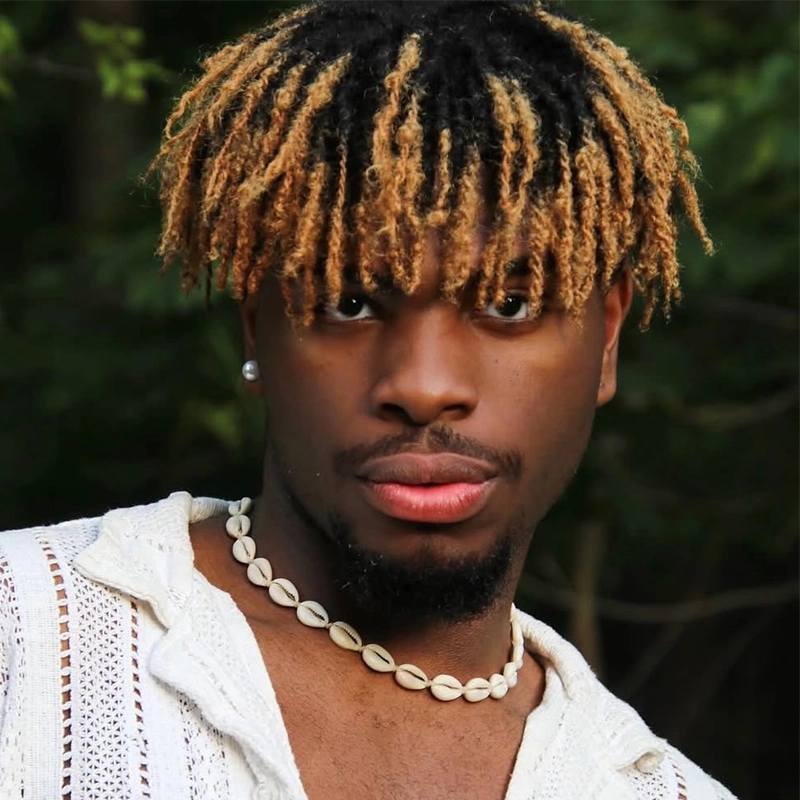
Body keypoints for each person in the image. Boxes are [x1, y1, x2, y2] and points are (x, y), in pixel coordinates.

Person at [0, 2, 736, 798]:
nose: (422, 387)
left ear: (609, 337)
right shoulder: (26, 634)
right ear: (258, 328)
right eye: (348, 302)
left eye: (510, 306)